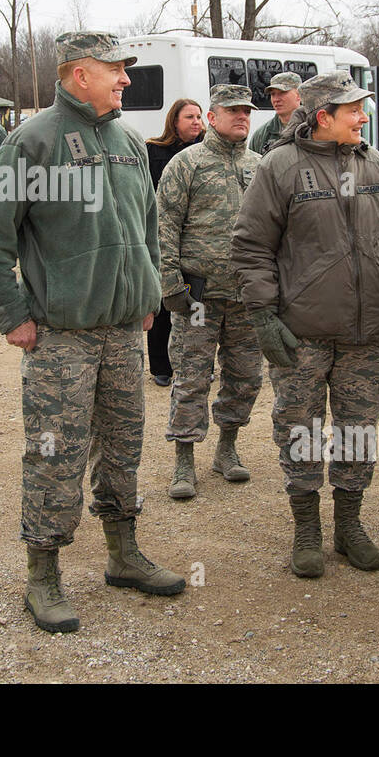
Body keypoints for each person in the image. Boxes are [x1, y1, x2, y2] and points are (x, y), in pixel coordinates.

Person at [0, 30, 184, 634]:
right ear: (78, 73)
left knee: (123, 446)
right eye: (115, 70)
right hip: (61, 334)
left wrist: (148, 295)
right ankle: (44, 575)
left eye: (125, 71)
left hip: (122, 331)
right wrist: (12, 316)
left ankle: (123, 555)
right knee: (55, 453)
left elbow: (147, 227)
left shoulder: (128, 141)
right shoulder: (31, 142)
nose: (125, 80)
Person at [233, 71, 379, 579]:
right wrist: (265, 315)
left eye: (363, 107)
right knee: (300, 429)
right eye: (353, 109)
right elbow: (251, 247)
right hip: (302, 333)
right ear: (322, 117)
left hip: (364, 334)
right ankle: (307, 526)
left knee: (358, 430)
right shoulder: (280, 167)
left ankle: (349, 524)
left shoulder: (375, 162)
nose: (363, 116)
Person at [157, 84, 263, 499]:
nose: (242, 118)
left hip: (246, 299)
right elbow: (164, 225)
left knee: (245, 378)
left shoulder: (260, 166)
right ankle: (184, 460)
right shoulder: (187, 164)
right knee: (192, 377)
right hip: (198, 299)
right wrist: (170, 285)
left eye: (247, 112)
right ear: (213, 118)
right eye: (233, 111)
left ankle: (227, 450)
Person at [144, 98, 205, 386]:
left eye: (199, 117)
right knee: (163, 301)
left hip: (196, 240)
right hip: (163, 237)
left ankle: (195, 363)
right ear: (174, 122)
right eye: (189, 117)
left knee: (195, 302)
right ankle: (161, 367)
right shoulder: (153, 151)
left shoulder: (206, 152)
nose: (196, 122)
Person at [248, 72, 303, 155]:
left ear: (298, 95)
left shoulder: (315, 128)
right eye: (273, 94)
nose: (276, 99)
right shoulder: (261, 135)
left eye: (282, 93)